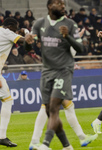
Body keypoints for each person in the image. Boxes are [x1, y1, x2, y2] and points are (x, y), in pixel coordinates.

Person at [29, 0, 97, 150]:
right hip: (47, 71)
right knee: (49, 110)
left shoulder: (70, 24)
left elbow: (81, 48)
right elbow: (29, 45)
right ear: (49, 6)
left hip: (63, 71)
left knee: (53, 108)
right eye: (59, 3)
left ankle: (45, 143)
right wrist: (27, 42)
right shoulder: (39, 24)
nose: (63, 6)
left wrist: (67, 37)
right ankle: (67, 145)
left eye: (63, 3)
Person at [0, 17, 34, 147]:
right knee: (7, 101)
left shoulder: (2, 32)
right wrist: (26, 32)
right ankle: (1, 136)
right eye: (14, 29)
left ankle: (2, 137)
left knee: (7, 99)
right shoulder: (7, 32)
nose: (15, 32)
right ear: (9, 27)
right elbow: (27, 42)